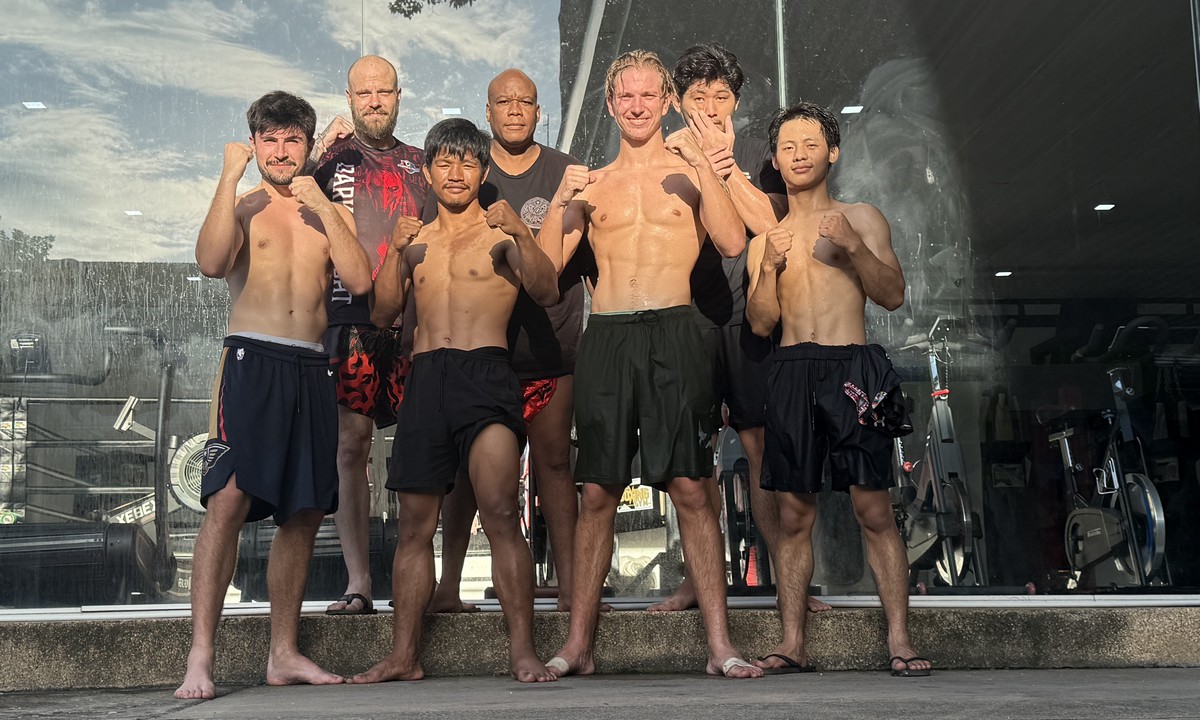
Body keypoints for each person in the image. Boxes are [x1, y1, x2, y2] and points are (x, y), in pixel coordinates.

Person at [538, 50, 763, 679]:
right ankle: (579, 645)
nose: (637, 107)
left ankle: (720, 646)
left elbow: (732, 242)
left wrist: (706, 167)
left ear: (667, 102)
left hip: (676, 328)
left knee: (691, 486)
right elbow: (545, 275)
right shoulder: (592, 184)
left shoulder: (691, 172)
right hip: (608, 334)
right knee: (597, 492)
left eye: (648, 96)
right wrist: (558, 201)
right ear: (611, 105)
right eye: (626, 97)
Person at [175, 91, 372, 699]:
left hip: (311, 365)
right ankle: (200, 656)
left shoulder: (324, 210)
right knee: (229, 501)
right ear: (255, 144)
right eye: (271, 140)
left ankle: (283, 653)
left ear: (308, 146)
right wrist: (228, 176)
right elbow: (211, 263)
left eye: (292, 140)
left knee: (306, 509)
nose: (282, 151)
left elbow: (359, 279)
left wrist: (323, 205)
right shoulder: (243, 206)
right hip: (251, 360)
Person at [350, 118, 559, 684]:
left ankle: (522, 651)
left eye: (468, 163)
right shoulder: (415, 240)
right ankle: (404, 656)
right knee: (414, 526)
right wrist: (394, 253)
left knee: (500, 512)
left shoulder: (499, 234)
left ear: (483, 172)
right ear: (428, 171)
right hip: (426, 377)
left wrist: (522, 233)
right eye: (445, 162)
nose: (457, 173)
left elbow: (546, 290)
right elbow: (382, 315)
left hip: (485, 373)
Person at [744, 102, 929, 677]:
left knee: (874, 508)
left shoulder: (862, 217)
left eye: (810, 144)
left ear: (833, 152)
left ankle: (900, 639)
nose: (799, 154)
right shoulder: (766, 239)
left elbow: (892, 295)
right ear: (775, 160)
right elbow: (760, 324)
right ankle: (792, 642)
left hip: (853, 366)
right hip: (791, 368)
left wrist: (852, 246)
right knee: (793, 515)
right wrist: (768, 270)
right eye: (788, 146)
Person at [648, 43, 830, 616]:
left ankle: (786, 580)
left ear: (737, 101)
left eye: (721, 96)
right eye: (698, 96)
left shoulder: (757, 152)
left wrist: (724, 168)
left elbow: (775, 225)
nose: (709, 108)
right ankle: (697, 579)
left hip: (752, 317)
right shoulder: (659, 156)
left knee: (761, 447)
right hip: (686, 319)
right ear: (678, 101)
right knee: (692, 456)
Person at [430, 68, 590, 614]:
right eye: (504, 102)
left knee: (555, 465)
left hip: (550, 350)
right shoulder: (468, 169)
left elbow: (566, 265)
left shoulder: (565, 171)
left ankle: (571, 590)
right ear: (488, 111)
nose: (515, 110)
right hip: (479, 355)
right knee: (464, 474)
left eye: (525, 101)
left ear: (539, 112)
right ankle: (448, 586)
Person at [310, 55, 432, 616]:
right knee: (351, 444)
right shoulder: (329, 160)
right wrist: (317, 150)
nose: (375, 101)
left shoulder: (422, 163)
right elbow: (286, 195)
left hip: (412, 322)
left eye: (384, 91)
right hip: (348, 318)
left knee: (418, 447)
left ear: (399, 96)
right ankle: (358, 580)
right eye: (365, 93)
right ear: (350, 98)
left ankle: (416, 578)